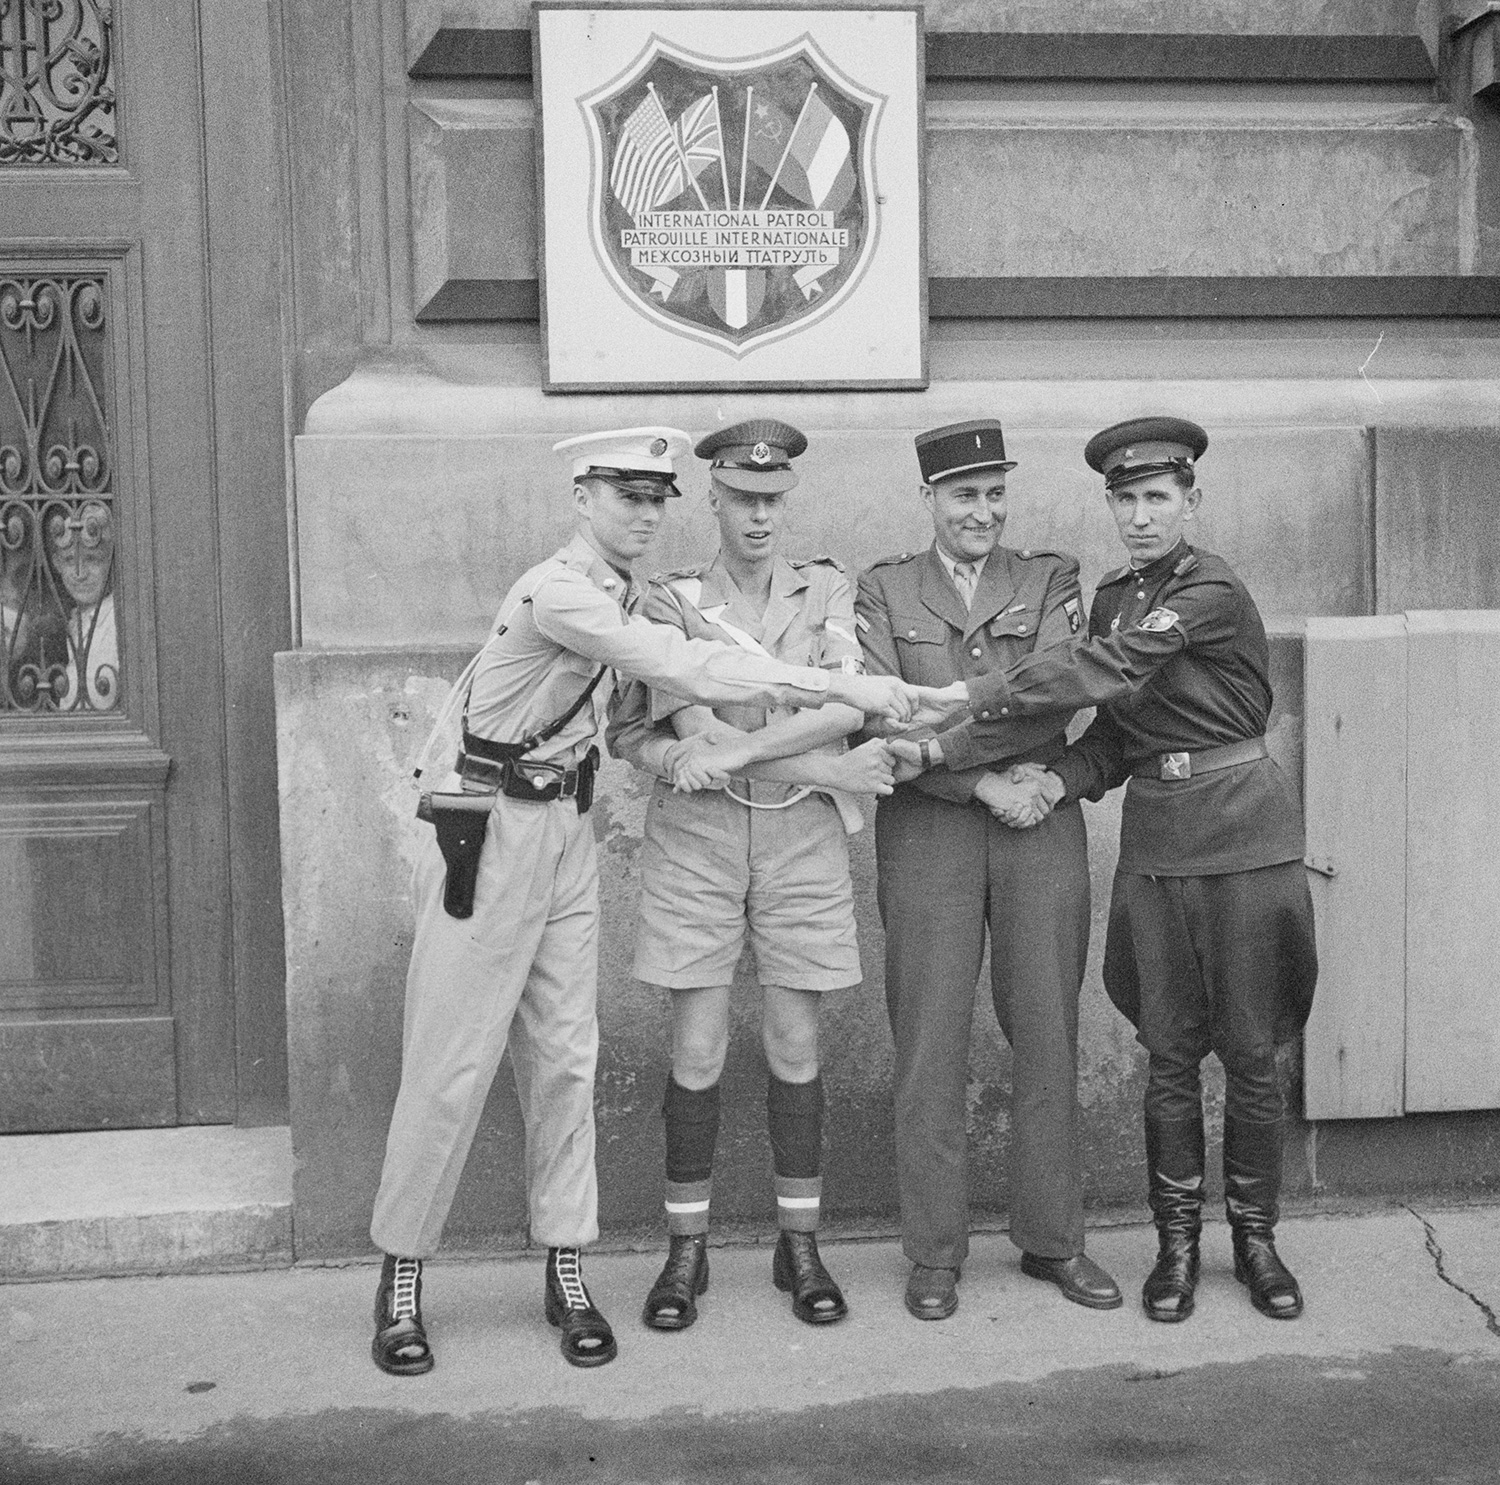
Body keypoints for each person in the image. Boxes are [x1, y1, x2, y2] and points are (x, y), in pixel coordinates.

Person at [368, 426, 920, 1377]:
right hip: (486, 831)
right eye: (627, 494)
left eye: (656, 497)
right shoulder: (564, 591)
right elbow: (684, 673)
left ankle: (567, 1265)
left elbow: (665, 707)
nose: (644, 513)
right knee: (451, 1059)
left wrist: (775, 728)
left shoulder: (633, 590)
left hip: (567, 830)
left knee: (566, 1056)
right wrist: (845, 686)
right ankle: (402, 1272)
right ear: (582, 496)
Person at [908, 416, 1317, 1324]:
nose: (1139, 516)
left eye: (1156, 498)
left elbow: (1107, 669)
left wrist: (968, 702)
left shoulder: (1206, 588)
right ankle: (1176, 1247)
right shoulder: (1114, 597)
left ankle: (1257, 1241)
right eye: (1124, 500)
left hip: (1244, 838)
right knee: (1168, 1052)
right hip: (1160, 845)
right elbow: (1122, 736)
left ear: (1190, 502)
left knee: (1250, 1053)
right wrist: (1057, 777)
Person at [608, 418, 896, 1333]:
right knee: (695, 1048)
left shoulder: (826, 587)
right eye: (743, 499)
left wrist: (794, 753)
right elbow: (688, 728)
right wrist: (825, 764)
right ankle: (685, 1250)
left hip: (799, 842)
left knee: (794, 1044)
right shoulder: (668, 601)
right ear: (714, 500)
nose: (761, 516)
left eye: (775, 499)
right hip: (697, 840)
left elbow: (840, 707)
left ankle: (798, 1244)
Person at [854, 418, 1121, 1322]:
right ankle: (933, 1251)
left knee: (1046, 1026)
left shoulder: (1049, 577)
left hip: (1038, 819)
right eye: (964, 495)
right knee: (930, 1034)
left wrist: (953, 746)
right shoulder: (884, 589)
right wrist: (977, 782)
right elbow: (880, 720)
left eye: (994, 493)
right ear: (928, 498)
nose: (983, 510)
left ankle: (1054, 1239)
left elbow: (1055, 685)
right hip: (932, 828)